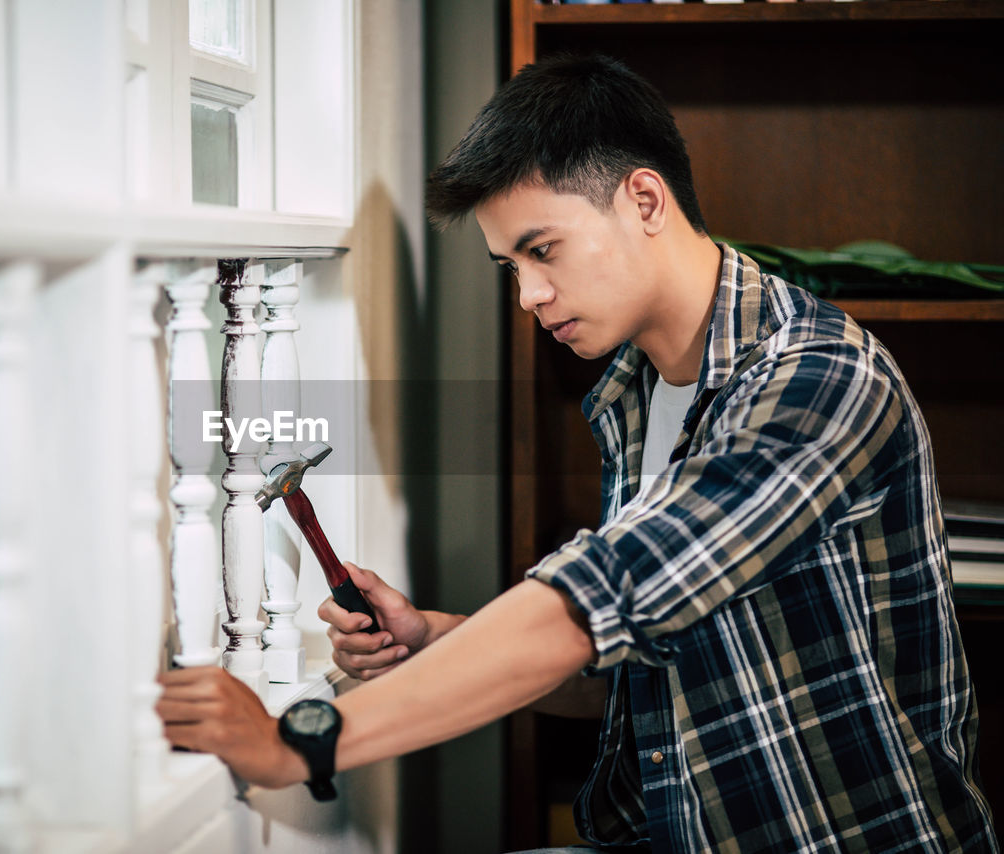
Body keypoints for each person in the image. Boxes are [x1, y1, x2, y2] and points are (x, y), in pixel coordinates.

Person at [157, 54, 998, 852]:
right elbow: (638, 668)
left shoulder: (816, 382)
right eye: (509, 266)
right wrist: (435, 641)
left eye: (543, 249)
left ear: (643, 200)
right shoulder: (636, 392)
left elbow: (599, 600)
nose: (528, 295)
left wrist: (302, 746)